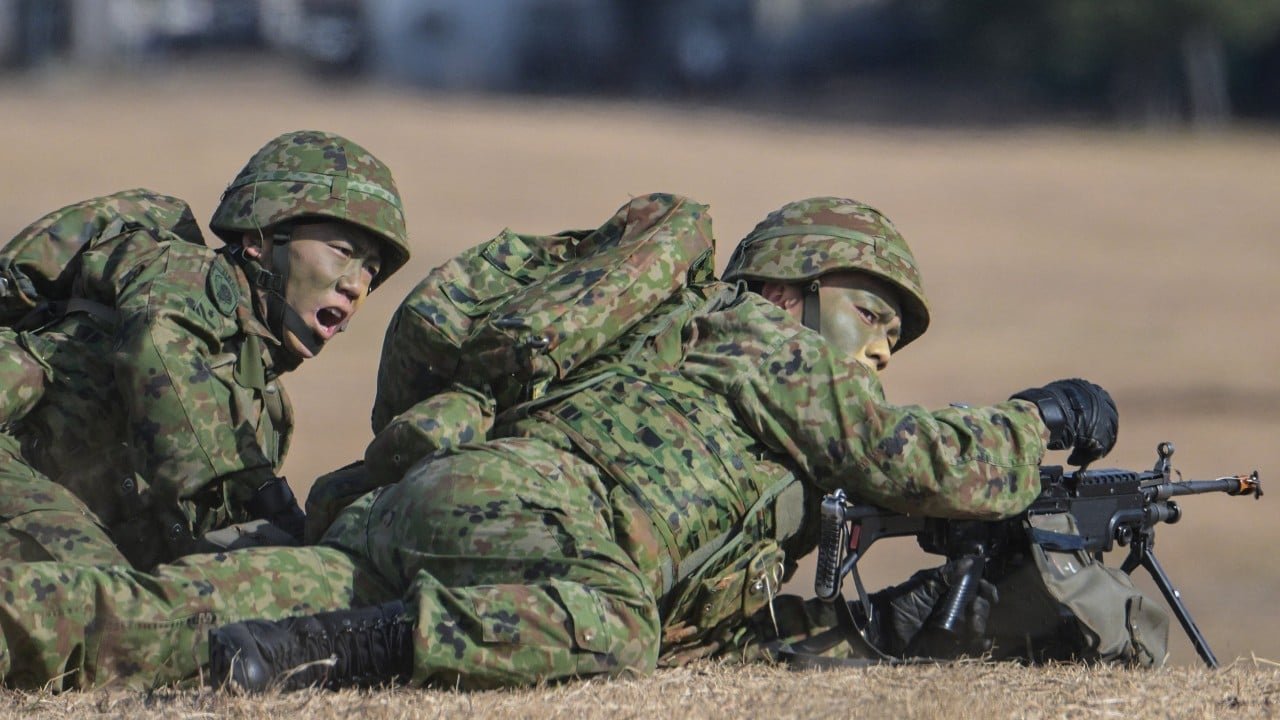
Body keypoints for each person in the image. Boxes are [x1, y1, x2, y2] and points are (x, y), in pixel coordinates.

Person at [0, 196, 1119, 691]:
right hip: (532, 519)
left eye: (893, 341)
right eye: (869, 315)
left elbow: (710, 630)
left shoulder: (677, 354)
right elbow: (918, 459)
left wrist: (888, 620)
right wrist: (1043, 421)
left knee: (167, 618)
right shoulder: (754, 336)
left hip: (441, 517)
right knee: (612, 624)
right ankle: (337, 651)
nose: (878, 349)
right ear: (792, 285)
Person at [0, 130, 411, 571]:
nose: (356, 285)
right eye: (342, 251)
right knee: (94, 593)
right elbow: (158, 355)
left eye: (371, 270)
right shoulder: (187, 276)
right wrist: (256, 494)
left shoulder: (267, 413)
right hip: (15, 461)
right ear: (259, 240)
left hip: (58, 504)